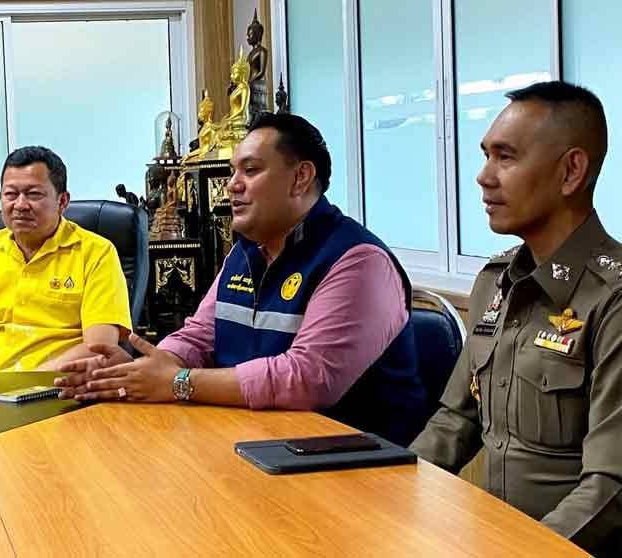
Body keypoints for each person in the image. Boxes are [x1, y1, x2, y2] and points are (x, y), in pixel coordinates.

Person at [56, 114, 428, 446]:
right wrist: (140, 370)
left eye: (250, 171)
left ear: (301, 178)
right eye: (234, 172)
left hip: (352, 468)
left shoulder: (358, 261)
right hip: (255, 443)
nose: (232, 185)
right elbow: (199, 336)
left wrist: (176, 382)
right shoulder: (245, 251)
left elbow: (307, 379)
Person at [410, 81, 621, 555]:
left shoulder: (613, 301)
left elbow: (611, 488)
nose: (484, 177)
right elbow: (453, 423)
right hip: (487, 540)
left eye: (505, 157)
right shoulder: (496, 281)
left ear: (571, 171)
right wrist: (392, 503)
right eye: (486, 155)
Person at [0, 146, 132, 374]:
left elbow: (99, 348)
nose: (20, 205)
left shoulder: (96, 253)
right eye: (10, 194)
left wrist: (25, 385)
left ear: (63, 201)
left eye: (33, 194)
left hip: (56, 391)